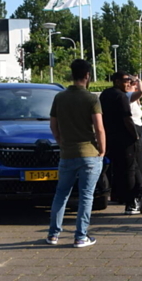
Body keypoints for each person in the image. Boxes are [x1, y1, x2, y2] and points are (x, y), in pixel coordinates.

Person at [46, 59, 105, 248]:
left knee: (61, 194)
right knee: (86, 196)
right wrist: (102, 149)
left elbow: (53, 125)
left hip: (67, 153)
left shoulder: (59, 98)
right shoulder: (91, 99)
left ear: (72, 75)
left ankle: (53, 235)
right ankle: (80, 237)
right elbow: (99, 128)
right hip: (89, 153)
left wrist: (61, 142)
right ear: (87, 75)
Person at [99, 72, 142, 216]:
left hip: (111, 137)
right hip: (126, 138)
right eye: (126, 80)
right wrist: (135, 135)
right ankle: (132, 201)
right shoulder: (121, 97)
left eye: (130, 81)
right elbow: (127, 119)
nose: (129, 83)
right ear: (116, 81)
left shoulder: (105, 94)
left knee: (121, 169)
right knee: (131, 169)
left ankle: (137, 194)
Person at [125, 74, 142, 212]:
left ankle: (138, 196)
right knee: (134, 165)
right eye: (133, 82)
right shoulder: (128, 95)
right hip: (133, 130)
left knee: (136, 164)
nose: (136, 84)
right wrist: (139, 80)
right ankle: (137, 196)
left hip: (136, 130)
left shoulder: (133, 98)